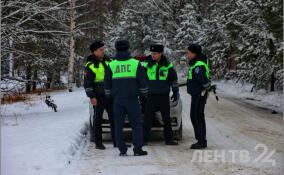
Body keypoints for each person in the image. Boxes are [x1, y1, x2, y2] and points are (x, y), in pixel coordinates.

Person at [104, 40, 148, 156]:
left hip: (118, 100)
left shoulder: (111, 65)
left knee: (118, 125)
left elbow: (107, 84)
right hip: (132, 99)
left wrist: (109, 97)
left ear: (116, 49)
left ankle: (122, 150)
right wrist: (144, 95)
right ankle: (137, 149)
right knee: (136, 125)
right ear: (128, 49)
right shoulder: (135, 63)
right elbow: (142, 82)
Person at [142, 44, 179, 146]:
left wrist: (175, 91)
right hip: (150, 96)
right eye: (152, 53)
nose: (152, 55)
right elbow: (142, 79)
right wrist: (143, 92)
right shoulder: (146, 65)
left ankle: (169, 139)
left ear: (160, 53)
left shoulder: (167, 65)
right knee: (147, 119)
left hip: (163, 96)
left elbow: (173, 79)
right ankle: (144, 139)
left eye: (155, 53)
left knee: (166, 119)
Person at [84, 40, 115, 150]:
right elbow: (87, 83)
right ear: (94, 52)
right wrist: (92, 96)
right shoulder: (90, 65)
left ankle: (117, 142)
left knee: (114, 119)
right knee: (97, 120)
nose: (103, 51)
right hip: (98, 97)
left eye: (103, 49)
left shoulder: (110, 61)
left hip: (111, 96)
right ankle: (98, 143)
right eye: (100, 50)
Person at [187, 43, 212, 149]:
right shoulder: (197, 63)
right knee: (196, 116)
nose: (188, 54)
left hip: (199, 94)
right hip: (197, 93)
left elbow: (202, 78)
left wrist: (207, 87)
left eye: (189, 53)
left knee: (196, 116)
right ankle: (201, 140)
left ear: (194, 53)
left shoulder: (198, 65)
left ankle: (201, 141)